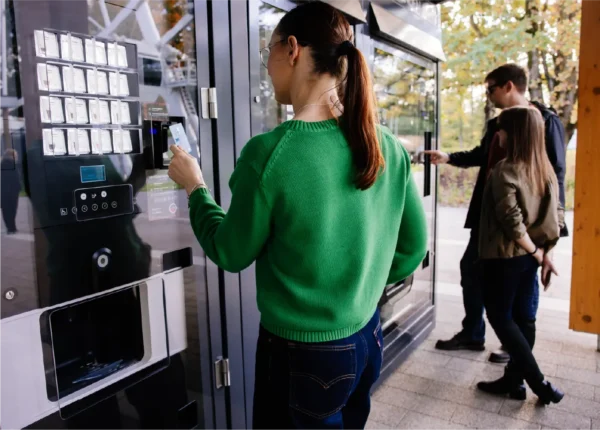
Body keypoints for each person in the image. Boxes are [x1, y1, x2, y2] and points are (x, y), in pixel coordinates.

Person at [167, 2, 428, 428]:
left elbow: (230, 252)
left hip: (301, 356)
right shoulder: (385, 144)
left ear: (292, 49)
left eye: (266, 52)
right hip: (366, 337)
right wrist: (356, 288)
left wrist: (195, 187)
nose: (266, 67)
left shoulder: (271, 153)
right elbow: (413, 247)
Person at [426, 64, 567, 363]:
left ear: (508, 87)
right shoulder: (497, 124)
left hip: (524, 225)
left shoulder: (545, 120)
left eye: (490, 89)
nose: (488, 96)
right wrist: (449, 157)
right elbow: (482, 155)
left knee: (520, 287)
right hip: (489, 217)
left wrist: (550, 240)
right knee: (470, 270)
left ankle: (512, 344)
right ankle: (474, 333)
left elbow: (556, 176)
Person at [476, 106, 564, 404]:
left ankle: (539, 383)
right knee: (524, 320)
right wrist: (544, 252)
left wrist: (539, 254)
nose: (497, 134)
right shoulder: (546, 169)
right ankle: (514, 382)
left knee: (500, 317)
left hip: (504, 258)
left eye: (500, 129)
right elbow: (557, 216)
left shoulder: (505, 169)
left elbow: (511, 223)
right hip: (530, 256)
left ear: (513, 135)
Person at [0, 149, 22, 234]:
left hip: (2, 191)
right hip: (13, 191)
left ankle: (10, 228)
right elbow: (16, 178)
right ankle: (12, 227)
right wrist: (19, 188)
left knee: (6, 210)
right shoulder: (13, 165)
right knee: (12, 210)